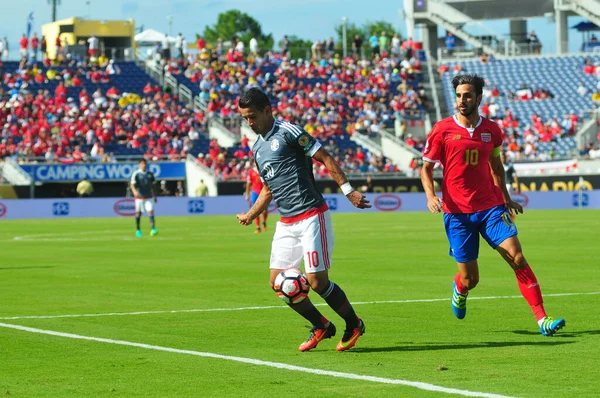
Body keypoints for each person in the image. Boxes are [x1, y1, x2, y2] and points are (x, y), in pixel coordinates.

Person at [420, 74, 565, 337]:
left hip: (491, 207)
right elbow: (426, 169)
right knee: (470, 279)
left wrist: (506, 198)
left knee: (517, 257)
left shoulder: (492, 131)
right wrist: (431, 197)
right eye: (459, 95)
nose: (462, 100)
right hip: (457, 213)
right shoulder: (442, 130)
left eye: (467, 95)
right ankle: (460, 288)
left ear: (478, 98)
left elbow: (497, 167)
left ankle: (542, 318)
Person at [236, 88, 371, 352]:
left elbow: (325, 157)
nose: (249, 123)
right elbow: (267, 189)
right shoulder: (258, 149)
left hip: (311, 215)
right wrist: (251, 215)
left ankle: (354, 323)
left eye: (252, 116)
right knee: (277, 282)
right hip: (286, 222)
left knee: (317, 281)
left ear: (267, 110)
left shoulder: (289, 132)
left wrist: (348, 191)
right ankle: (322, 326)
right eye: (245, 118)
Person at [130, 159, 158, 237]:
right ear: (139, 165)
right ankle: (138, 230)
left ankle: (153, 229)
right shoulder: (136, 174)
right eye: (142, 164)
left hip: (149, 197)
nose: (143, 165)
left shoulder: (150, 174)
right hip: (139, 198)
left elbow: (153, 186)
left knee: (150, 212)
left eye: (145, 164)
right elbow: (132, 184)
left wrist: (155, 196)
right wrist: (134, 192)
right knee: (138, 214)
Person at [245, 158, 268, 234]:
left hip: (263, 192)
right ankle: (258, 227)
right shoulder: (251, 172)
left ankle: (264, 222)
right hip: (255, 193)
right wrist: (247, 194)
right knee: (255, 210)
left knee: (264, 211)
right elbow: (248, 184)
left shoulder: (264, 170)